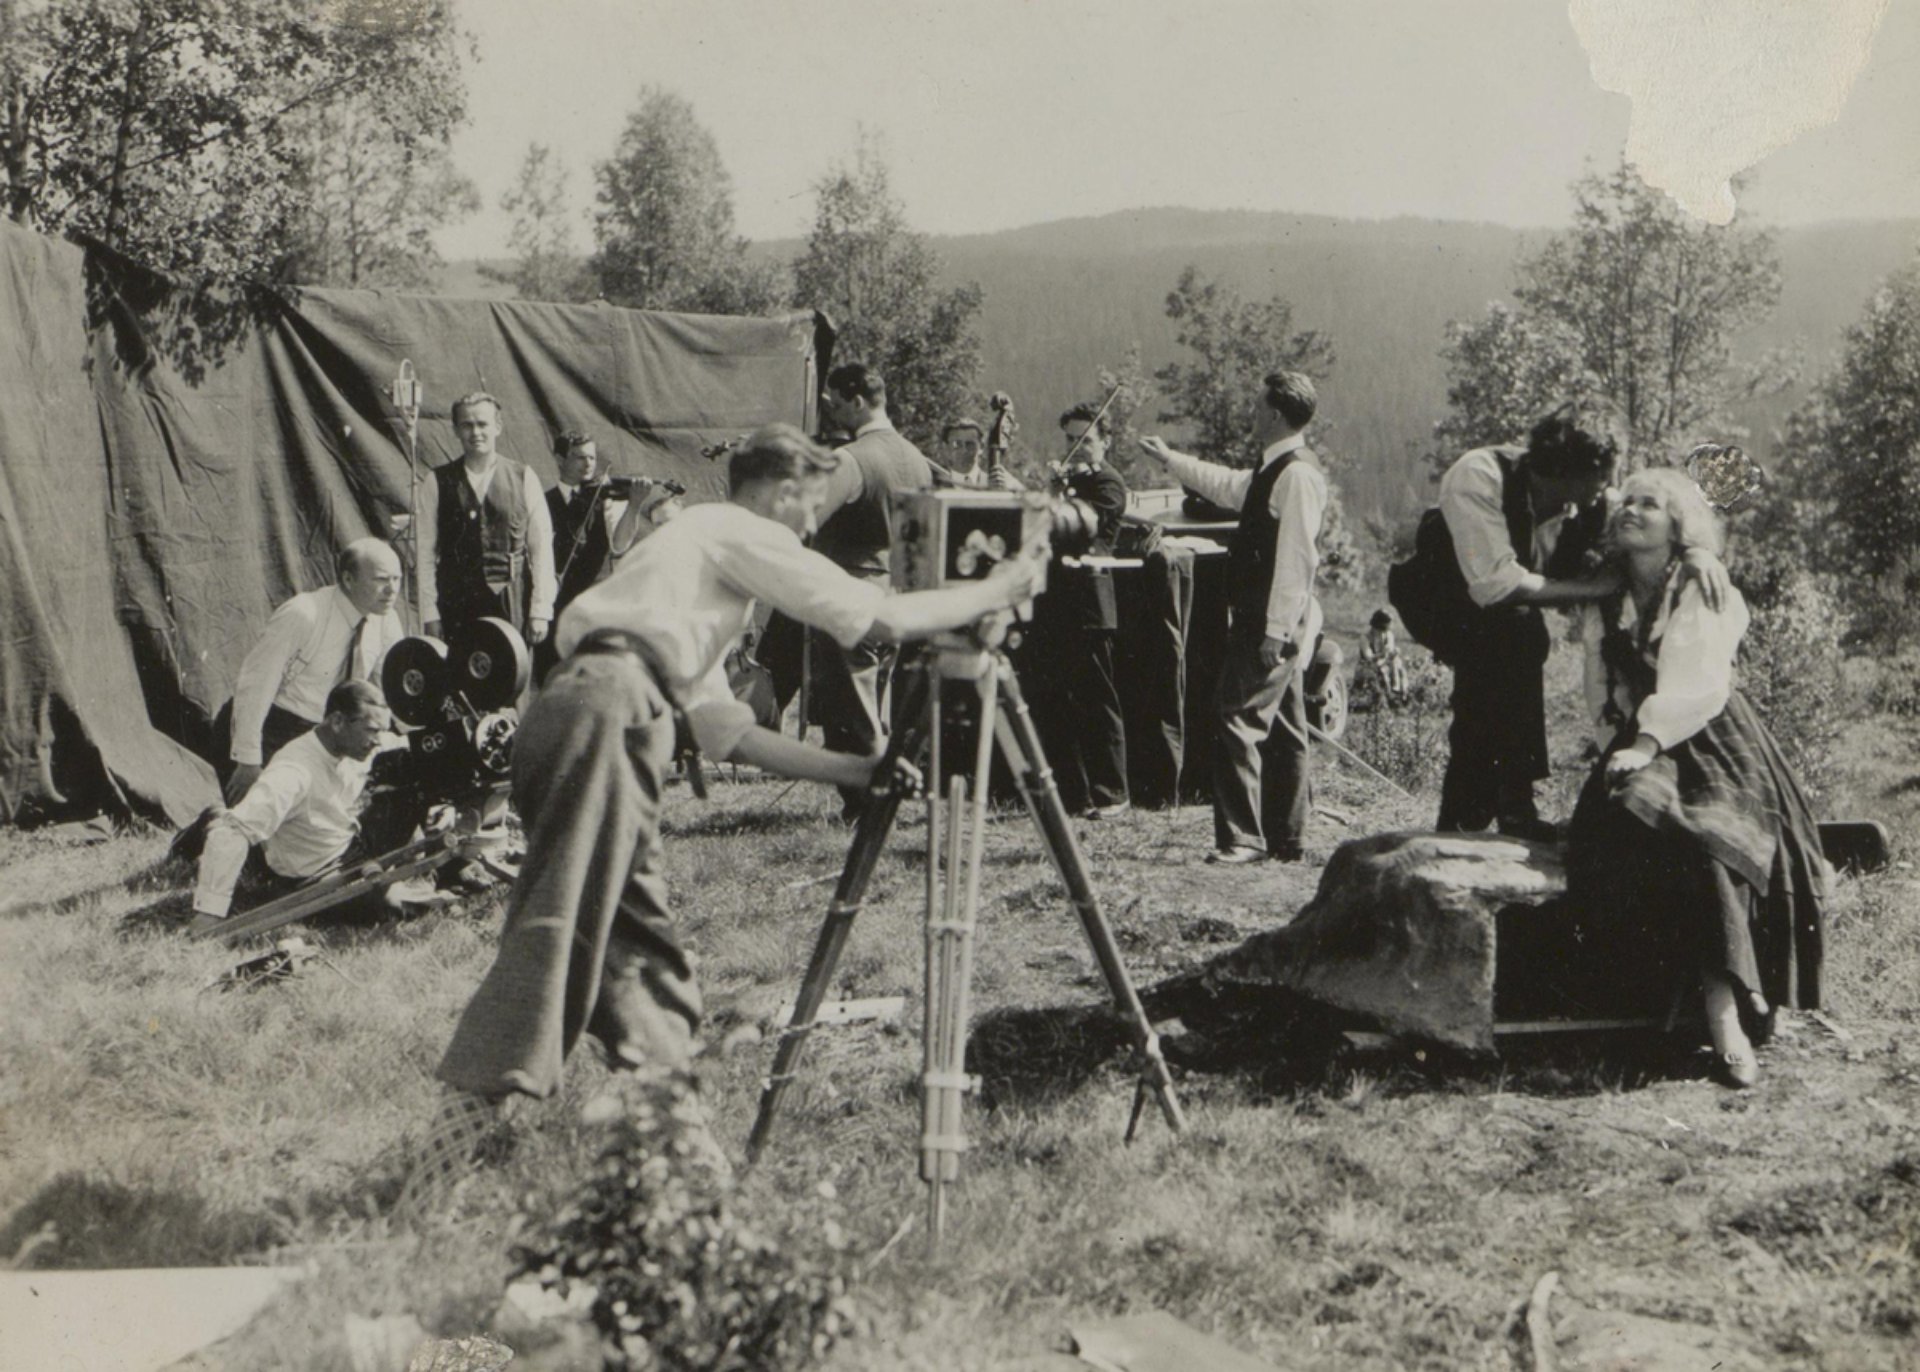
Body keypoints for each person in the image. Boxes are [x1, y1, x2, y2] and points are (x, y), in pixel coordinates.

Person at [425, 425, 1040, 1148]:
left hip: (598, 709)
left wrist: (856, 771)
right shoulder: (733, 528)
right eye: (812, 511)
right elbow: (876, 616)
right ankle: (461, 1130)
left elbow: (728, 734)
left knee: (640, 947)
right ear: (785, 491)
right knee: (557, 919)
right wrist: (997, 588)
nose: (811, 530)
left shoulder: (693, 568)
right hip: (606, 709)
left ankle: (674, 1143)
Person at [1564, 467, 1828, 1089]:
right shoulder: (1610, 591)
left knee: (1704, 835)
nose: (1632, 510)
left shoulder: (1698, 579)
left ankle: (1726, 1013)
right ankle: (1664, 995)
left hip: (1711, 734)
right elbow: (1599, 684)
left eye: (1650, 505)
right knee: (1616, 824)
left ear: (1679, 526)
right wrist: (1618, 746)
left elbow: (1700, 679)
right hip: (1644, 738)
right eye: (1627, 501)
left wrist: (1648, 742)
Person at [1432, 398, 1728, 840]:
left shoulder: (1593, 497)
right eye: (1603, 475)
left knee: (1516, 640)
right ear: (1569, 471)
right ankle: (1494, 807)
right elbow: (1493, 585)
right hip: (1443, 596)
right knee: (1510, 639)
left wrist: (1698, 552)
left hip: (1507, 608)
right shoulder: (1479, 475)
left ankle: (1482, 811)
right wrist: (1593, 588)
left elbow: (1662, 524)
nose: (1611, 487)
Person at [1139, 370, 1327, 863]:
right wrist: (1170, 459)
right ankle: (1286, 839)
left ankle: (1243, 838)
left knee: (1235, 716)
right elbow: (1226, 485)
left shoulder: (1297, 474)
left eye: (1256, 404)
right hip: (1268, 619)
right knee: (1286, 731)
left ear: (1275, 413)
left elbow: (1297, 559)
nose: (1250, 411)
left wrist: (1276, 631)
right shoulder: (1275, 469)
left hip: (1269, 621)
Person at [802, 362, 937, 817]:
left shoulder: (852, 459)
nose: (832, 412)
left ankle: (869, 802)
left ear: (857, 401)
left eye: (836, 403)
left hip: (849, 590)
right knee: (877, 699)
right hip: (895, 593)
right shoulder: (916, 459)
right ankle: (884, 791)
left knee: (850, 707)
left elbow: (807, 521)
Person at [186, 682, 400, 935]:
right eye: (372, 731)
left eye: (381, 731)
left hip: (345, 846)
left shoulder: (361, 743)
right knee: (386, 906)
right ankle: (210, 821)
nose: (378, 741)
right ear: (338, 721)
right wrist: (209, 913)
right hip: (307, 873)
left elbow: (397, 744)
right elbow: (231, 833)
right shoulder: (294, 771)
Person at [217, 538, 407, 804]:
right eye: (381, 579)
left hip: (331, 732)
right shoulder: (304, 613)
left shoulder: (386, 619)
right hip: (275, 728)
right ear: (349, 579)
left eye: (397, 579)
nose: (392, 590)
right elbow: (255, 684)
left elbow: (392, 688)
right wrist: (248, 760)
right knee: (263, 820)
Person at [1023, 402, 1131, 819]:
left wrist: (1054, 497)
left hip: (1088, 607)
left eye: (1085, 440)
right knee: (1056, 702)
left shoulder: (1109, 484)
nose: (1077, 448)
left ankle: (1111, 793)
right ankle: (1072, 794)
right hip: (1056, 606)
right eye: (1070, 440)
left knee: (1097, 702)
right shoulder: (1068, 484)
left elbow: (1081, 526)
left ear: (1105, 442)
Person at [418, 391, 557, 647]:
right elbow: (425, 553)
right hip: (456, 603)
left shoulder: (524, 477)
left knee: (511, 677)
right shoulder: (436, 481)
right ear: (456, 430)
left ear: (498, 427)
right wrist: (430, 613)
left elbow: (541, 549)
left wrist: (540, 610)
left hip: (511, 600)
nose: (475, 433)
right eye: (467, 425)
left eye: (482, 424)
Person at [537, 429, 650, 681]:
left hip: (594, 602)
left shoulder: (605, 499)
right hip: (555, 603)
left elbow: (620, 544)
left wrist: (634, 505)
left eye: (591, 457)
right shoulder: (541, 501)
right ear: (559, 459)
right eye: (579, 457)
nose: (588, 464)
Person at [1361, 609, 1409, 702]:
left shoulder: (1388, 635)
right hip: (1367, 665)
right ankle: (1387, 696)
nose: (1383, 632)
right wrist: (1381, 655)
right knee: (1381, 670)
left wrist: (1393, 653)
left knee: (1397, 664)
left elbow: (1389, 650)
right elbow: (1368, 657)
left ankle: (1400, 692)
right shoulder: (1365, 638)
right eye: (1382, 629)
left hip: (1385, 662)